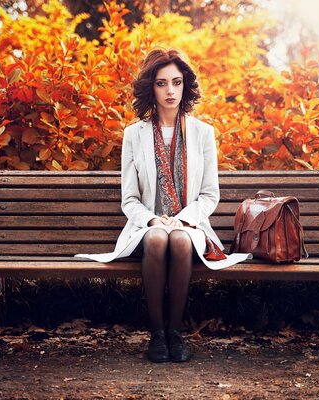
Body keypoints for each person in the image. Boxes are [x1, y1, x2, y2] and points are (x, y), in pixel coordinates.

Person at [76, 48, 250, 363]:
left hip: (191, 226)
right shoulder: (134, 135)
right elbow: (129, 198)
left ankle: (175, 332)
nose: (170, 91)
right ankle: (156, 334)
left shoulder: (203, 133)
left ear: (185, 86)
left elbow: (210, 194)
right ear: (151, 88)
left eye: (176, 82)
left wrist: (182, 221)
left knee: (179, 239)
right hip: (147, 228)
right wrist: (154, 221)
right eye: (161, 83)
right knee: (159, 239)